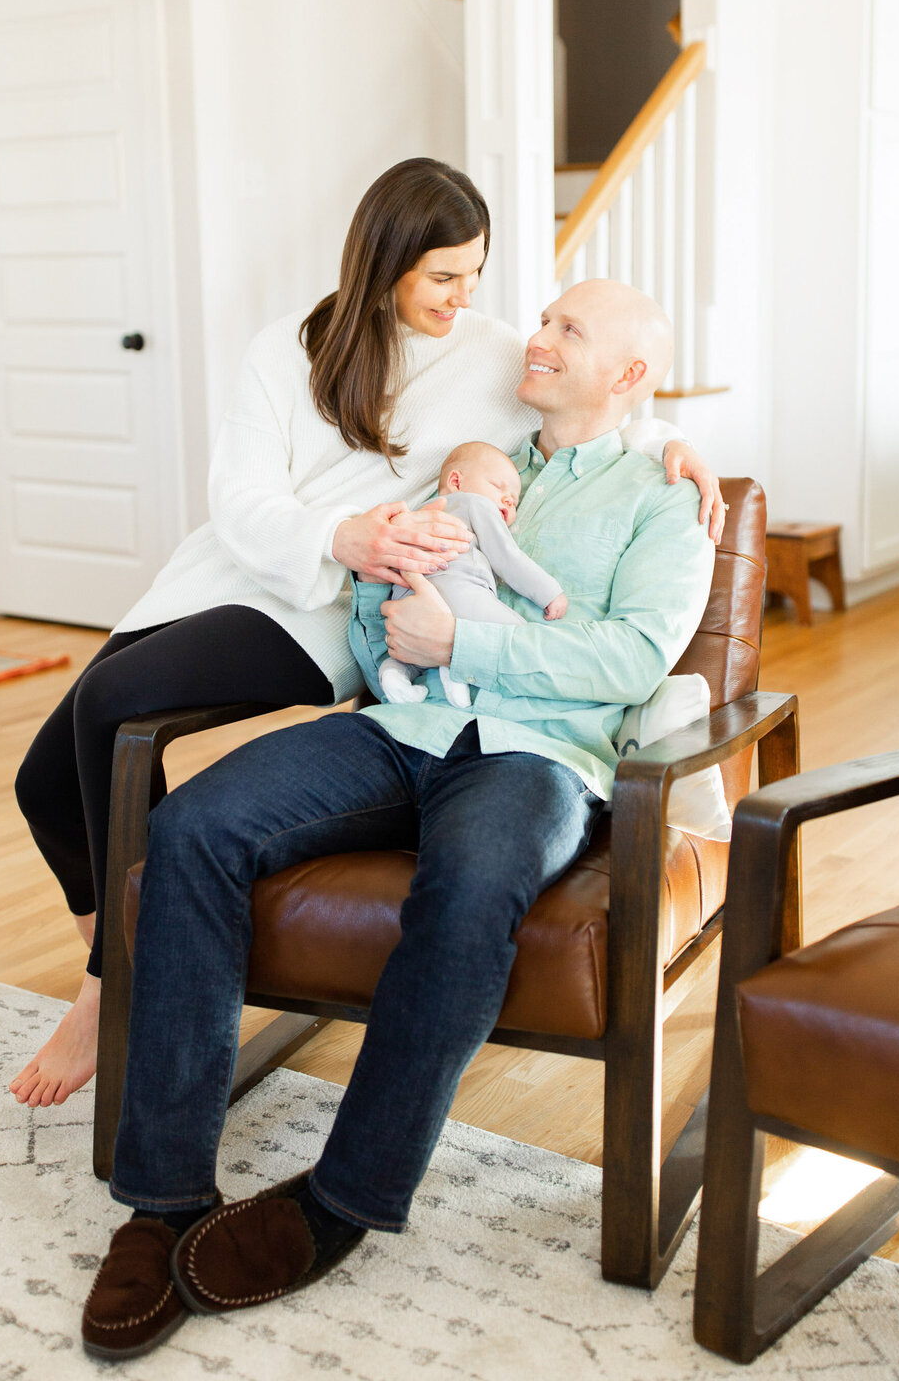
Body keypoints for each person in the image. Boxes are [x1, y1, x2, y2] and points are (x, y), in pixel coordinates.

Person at [79, 279, 715, 1362]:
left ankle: (343, 1197)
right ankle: (164, 1198)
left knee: (470, 889)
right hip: (402, 727)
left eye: (570, 328)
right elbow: (386, 627)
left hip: (539, 757)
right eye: (546, 318)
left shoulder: (665, 494)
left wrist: (463, 644)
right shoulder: (477, 462)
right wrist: (392, 617)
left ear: (632, 375)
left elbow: (632, 659)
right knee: (190, 828)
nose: (539, 335)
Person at [9, 159, 724, 1111]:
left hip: (336, 607)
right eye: (442, 276)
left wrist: (673, 442)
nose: (465, 298)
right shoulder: (288, 348)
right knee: (42, 779)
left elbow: (597, 398)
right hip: (246, 567)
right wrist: (334, 533)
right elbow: (239, 499)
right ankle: (125, 948)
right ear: (383, 260)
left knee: (111, 701)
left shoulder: (490, 353)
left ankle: (111, 985)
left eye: (475, 274)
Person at [378, 440, 568, 708]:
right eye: (498, 487)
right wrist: (550, 593)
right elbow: (507, 558)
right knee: (520, 640)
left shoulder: (417, 513)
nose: (508, 500)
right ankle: (453, 669)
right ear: (456, 481)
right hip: (459, 592)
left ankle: (393, 673)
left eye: (514, 501)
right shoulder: (474, 504)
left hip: (407, 600)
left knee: (406, 655)